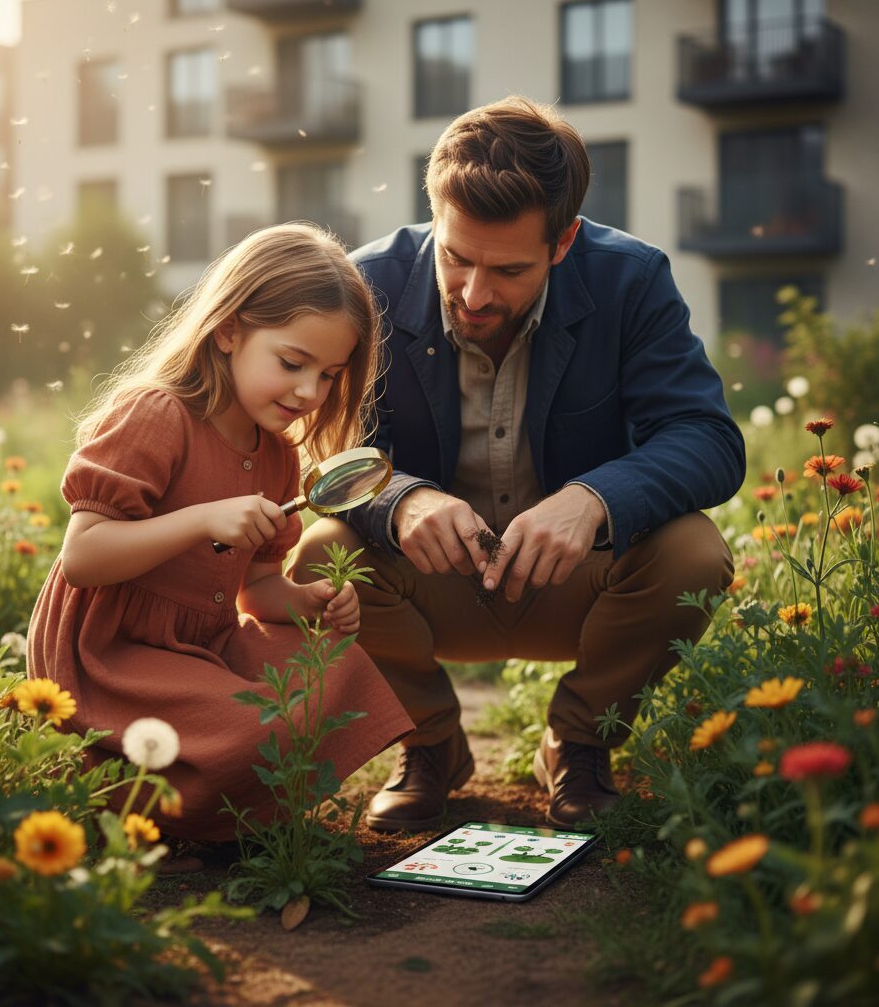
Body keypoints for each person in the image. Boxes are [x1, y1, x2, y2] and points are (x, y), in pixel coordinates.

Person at [288, 96, 746, 832]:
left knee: (694, 552)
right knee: (321, 554)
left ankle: (579, 742)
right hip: (429, 584)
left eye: (508, 269)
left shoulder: (631, 281)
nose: (473, 293)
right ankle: (430, 745)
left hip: (578, 582)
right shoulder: (366, 285)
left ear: (564, 242)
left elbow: (707, 438)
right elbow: (325, 450)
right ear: (434, 217)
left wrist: (595, 499)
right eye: (455, 257)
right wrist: (401, 499)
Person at [27, 224, 413, 855]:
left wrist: (308, 602)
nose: (309, 392)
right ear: (229, 331)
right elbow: (83, 557)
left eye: (329, 375)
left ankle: (215, 808)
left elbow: (255, 590)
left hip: (203, 646)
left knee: (336, 671)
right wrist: (203, 519)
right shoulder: (158, 415)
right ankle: (136, 802)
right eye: (292, 363)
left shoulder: (278, 456)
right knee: (255, 723)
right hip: (109, 656)